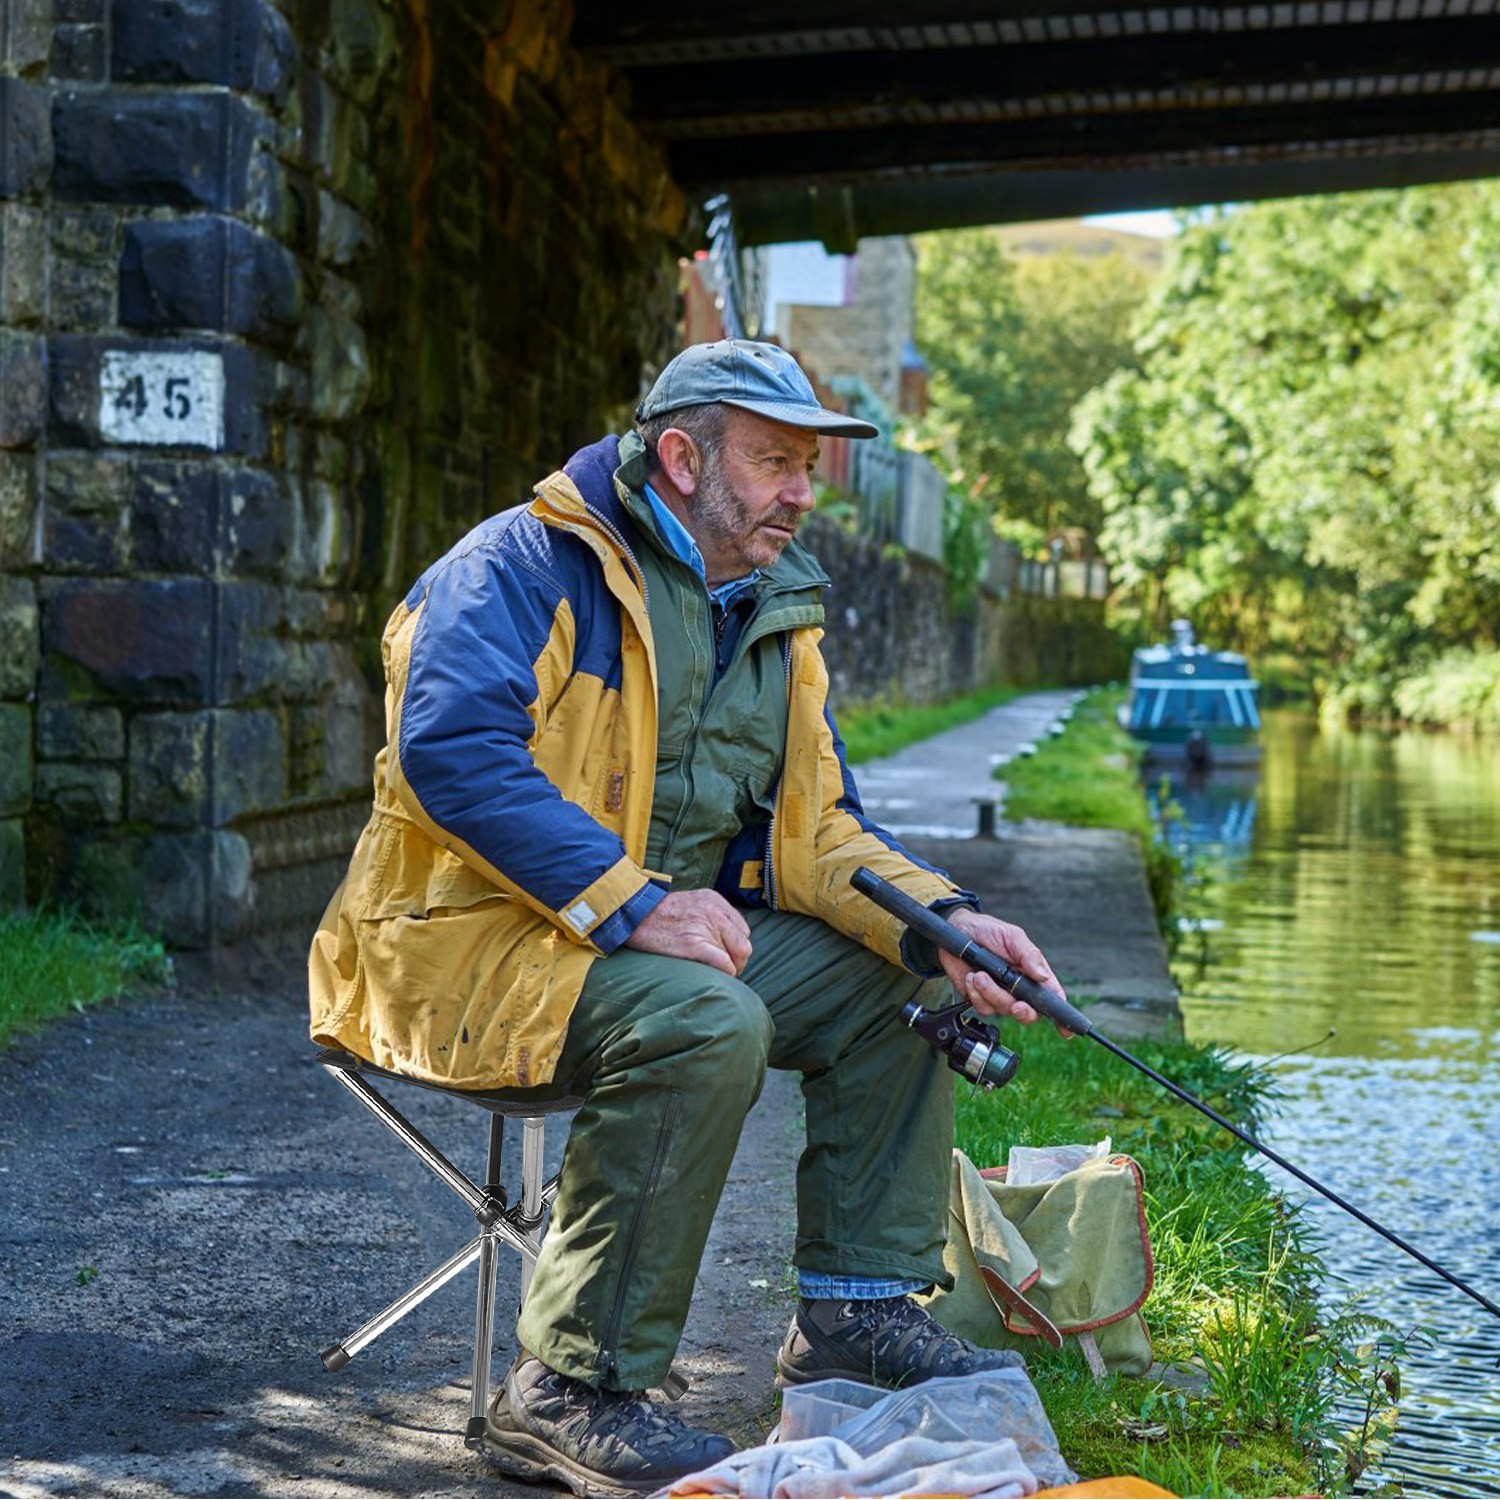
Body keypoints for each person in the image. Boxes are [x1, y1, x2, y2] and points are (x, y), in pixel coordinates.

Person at [308, 339, 1066, 1496]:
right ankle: (570, 1386)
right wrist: (634, 904)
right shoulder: (519, 565)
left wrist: (952, 922)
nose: (803, 494)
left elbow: (821, 838)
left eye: (808, 467)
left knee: (905, 978)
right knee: (706, 1020)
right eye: (775, 462)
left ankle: (856, 1314)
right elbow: (451, 755)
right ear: (681, 457)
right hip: (460, 953)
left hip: (652, 955)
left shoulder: (775, 612)